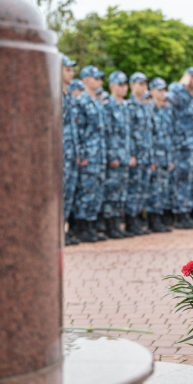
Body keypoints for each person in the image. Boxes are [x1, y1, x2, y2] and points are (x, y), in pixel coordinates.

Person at [166, 67, 193, 229]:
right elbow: (169, 96)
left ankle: (188, 212)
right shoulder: (178, 93)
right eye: (192, 76)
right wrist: (182, 83)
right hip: (182, 146)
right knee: (182, 181)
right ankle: (180, 215)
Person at [73, 65, 107, 243]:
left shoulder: (98, 102)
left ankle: (91, 226)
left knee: (96, 191)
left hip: (99, 155)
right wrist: (81, 154)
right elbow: (78, 130)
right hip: (88, 155)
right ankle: (82, 228)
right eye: (96, 78)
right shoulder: (81, 101)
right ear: (85, 80)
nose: (99, 81)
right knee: (86, 191)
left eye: (100, 78)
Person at [102, 71, 131, 239]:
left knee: (121, 193)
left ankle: (117, 224)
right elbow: (107, 133)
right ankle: (110, 225)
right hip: (114, 158)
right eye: (120, 85)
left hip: (124, 157)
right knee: (111, 192)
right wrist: (111, 156)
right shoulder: (108, 106)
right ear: (112, 86)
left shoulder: (125, 106)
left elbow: (128, 135)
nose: (123, 88)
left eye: (125, 85)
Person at [125, 72, 154, 235]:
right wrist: (130, 154)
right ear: (132, 86)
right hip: (135, 155)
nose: (144, 87)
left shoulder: (144, 106)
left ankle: (137, 220)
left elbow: (148, 134)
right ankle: (130, 221)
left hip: (145, 155)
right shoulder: (129, 106)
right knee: (133, 190)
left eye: (145, 84)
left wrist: (151, 157)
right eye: (140, 84)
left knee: (142, 190)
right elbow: (127, 133)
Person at [146, 77, 175, 232]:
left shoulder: (165, 111)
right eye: (159, 90)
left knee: (163, 189)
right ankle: (153, 220)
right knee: (154, 191)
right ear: (151, 92)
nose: (162, 93)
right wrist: (151, 159)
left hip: (165, 157)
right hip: (155, 158)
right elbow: (148, 138)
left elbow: (169, 136)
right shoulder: (148, 110)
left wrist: (170, 158)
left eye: (164, 90)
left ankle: (160, 218)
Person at [61, 55, 80, 245]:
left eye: (72, 70)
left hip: (71, 153)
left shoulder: (70, 95)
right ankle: (56, 233)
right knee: (59, 194)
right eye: (67, 69)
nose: (71, 73)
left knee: (69, 193)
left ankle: (62, 231)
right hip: (60, 154)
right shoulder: (55, 94)